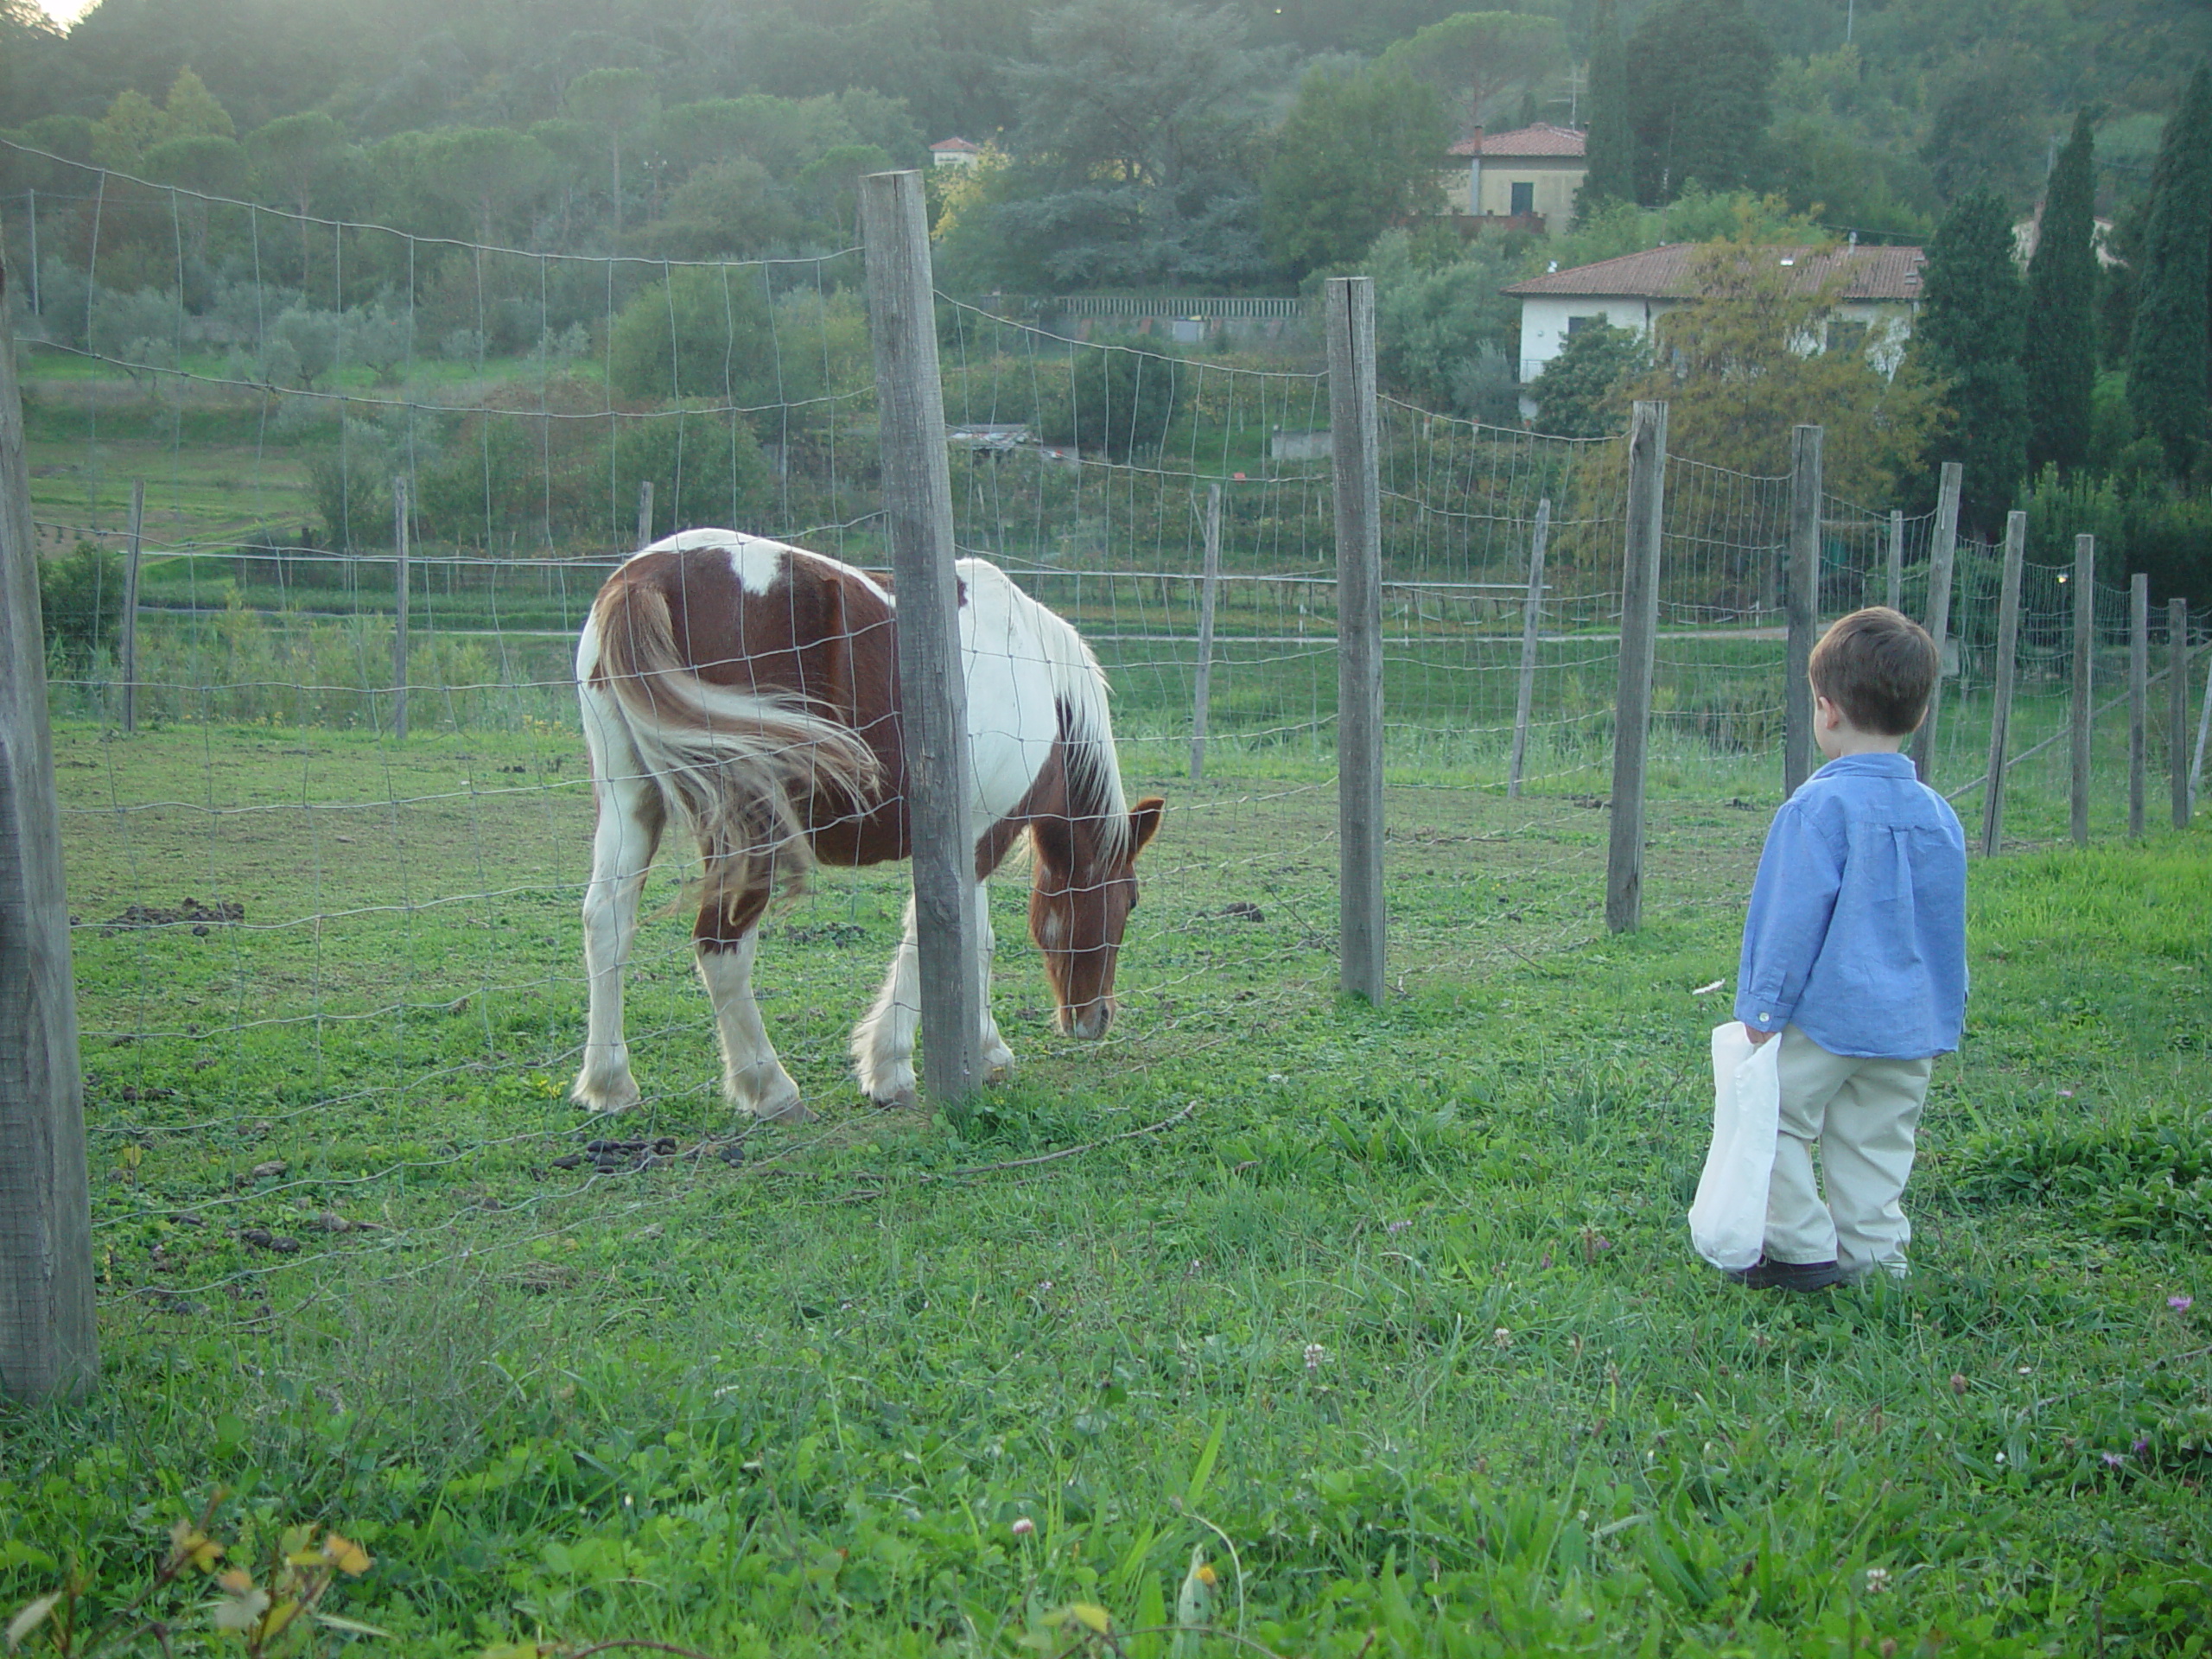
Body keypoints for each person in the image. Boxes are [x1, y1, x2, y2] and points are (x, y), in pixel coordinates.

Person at [1729, 607, 1967, 1291]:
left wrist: (1762, 1010)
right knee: (1877, 1145)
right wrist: (1944, 1008)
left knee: (1770, 1118)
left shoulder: (1815, 810)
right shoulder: (1938, 814)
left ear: (1825, 710)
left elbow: (1787, 921)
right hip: (1908, 1027)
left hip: (1828, 1020)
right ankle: (1876, 1264)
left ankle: (1801, 1249)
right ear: (1917, 716)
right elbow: (1943, 922)